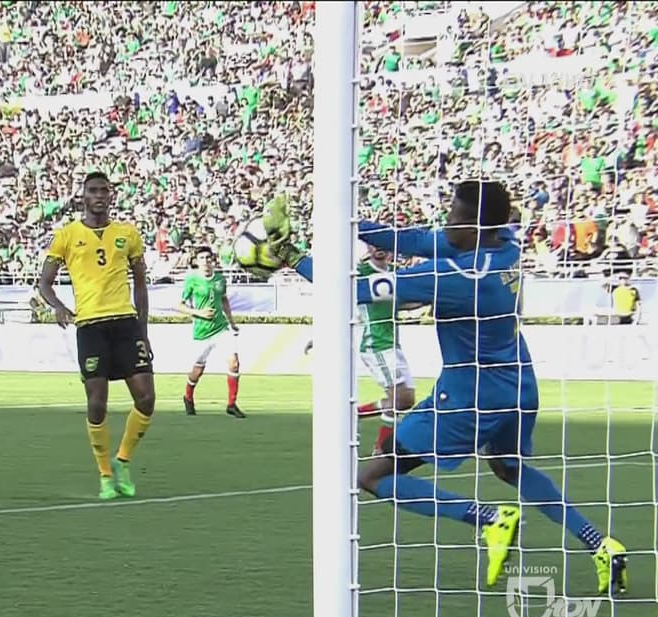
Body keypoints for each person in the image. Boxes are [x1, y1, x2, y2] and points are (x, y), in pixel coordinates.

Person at [266, 183, 628, 595]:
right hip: (519, 384)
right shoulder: (504, 244)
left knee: (373, 475)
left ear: (474, 227)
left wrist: (291, 257)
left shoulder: (456, 276)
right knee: (508, 467)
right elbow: (418, 240)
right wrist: (348, 223)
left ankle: (489, 518)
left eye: (454, 218)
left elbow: (353, 291)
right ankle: (601, 544)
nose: (446, 223)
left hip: (469, 395)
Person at [37, 172, 156, 501]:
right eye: (93, 190)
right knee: (97, 402)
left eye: (104, 190)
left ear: (111, 195)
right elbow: (44, 282)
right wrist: (59, 306)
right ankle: (105, 475)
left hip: (126, 323)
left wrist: (143, 331)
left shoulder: (128, 233)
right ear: (83, 196)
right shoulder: (66, 236)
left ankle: (122, 461)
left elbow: (141, 285)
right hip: (90, 325)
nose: (99, 195)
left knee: (146, 398)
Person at [354, 246, 416, 452]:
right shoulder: (360, 272)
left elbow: (402, 303)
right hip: (376, 344)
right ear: (368, 246)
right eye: (373, 243)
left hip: (393, 344)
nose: (378, 247)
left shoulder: (394, 273)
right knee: (398, 397)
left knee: (406, 400)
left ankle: (357, 414)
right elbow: (338, 300)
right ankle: (381, 449)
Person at [177, 245, 246, 417]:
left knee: (234, 362)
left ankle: (231, 404)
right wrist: (199, 313)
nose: (206, 261)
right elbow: (179, 306)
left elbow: (224, 300)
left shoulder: (220, 279)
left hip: (221, 328)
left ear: (213, 260)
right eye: (202, 258)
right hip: (202, 332)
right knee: (197, 371)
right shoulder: (192, 280)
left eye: (208, 257)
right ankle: (188, 397)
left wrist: (232, 322)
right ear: (196, 261)